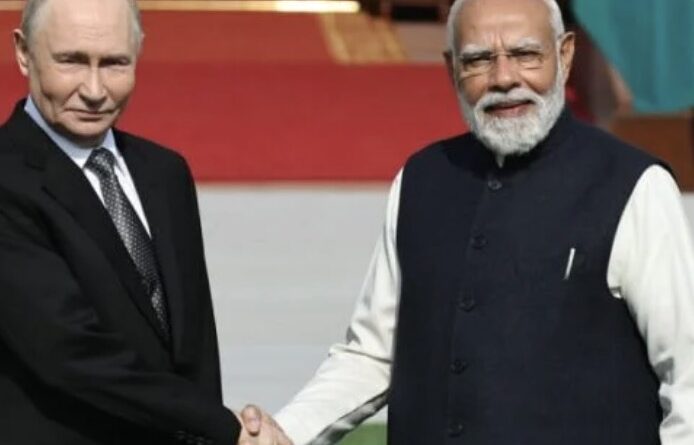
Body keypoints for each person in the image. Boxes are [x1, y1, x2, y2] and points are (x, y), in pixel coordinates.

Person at [257, 0, 694, 443]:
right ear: (452, 69)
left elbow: (688, 373)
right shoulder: (421, 180)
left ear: (564, 55)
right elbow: (373, 354)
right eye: (479, 60)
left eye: (525, 54)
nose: (504, 78)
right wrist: (284, 432)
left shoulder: (635, 187)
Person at [0, 0, 290, 444]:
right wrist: (223, 426)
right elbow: (69, 353)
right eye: (71, 61)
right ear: (23, 53)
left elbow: (194, 344)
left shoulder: (164, 172)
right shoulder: (7, 179)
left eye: (114, 63)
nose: (94, 89)